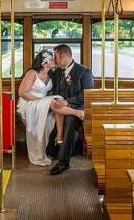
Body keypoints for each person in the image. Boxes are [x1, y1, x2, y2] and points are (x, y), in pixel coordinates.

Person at [17, 49, 84, 166]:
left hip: (43, 103)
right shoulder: (32, 73)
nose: (55, 61)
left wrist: (45, 102)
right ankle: (77, 113)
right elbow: (22, 92)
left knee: (56, 99)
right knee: (52, 101)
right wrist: (40, 101)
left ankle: (58, 136)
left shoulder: (52, 74)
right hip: (28, 103)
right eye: (52, 59)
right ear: (45, 62)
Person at [48, 44, 94, 175]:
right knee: (50, 151)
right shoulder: (57, 72)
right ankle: (63, 148)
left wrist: (67, 102)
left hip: (79, 108)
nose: (54, 60)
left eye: (55, 57)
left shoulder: (84, 72)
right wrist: (56, 100)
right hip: (61, 108)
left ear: (63, 56)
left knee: (70, 120)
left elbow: (86, 95)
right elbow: (54, 90)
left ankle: (64, 162)